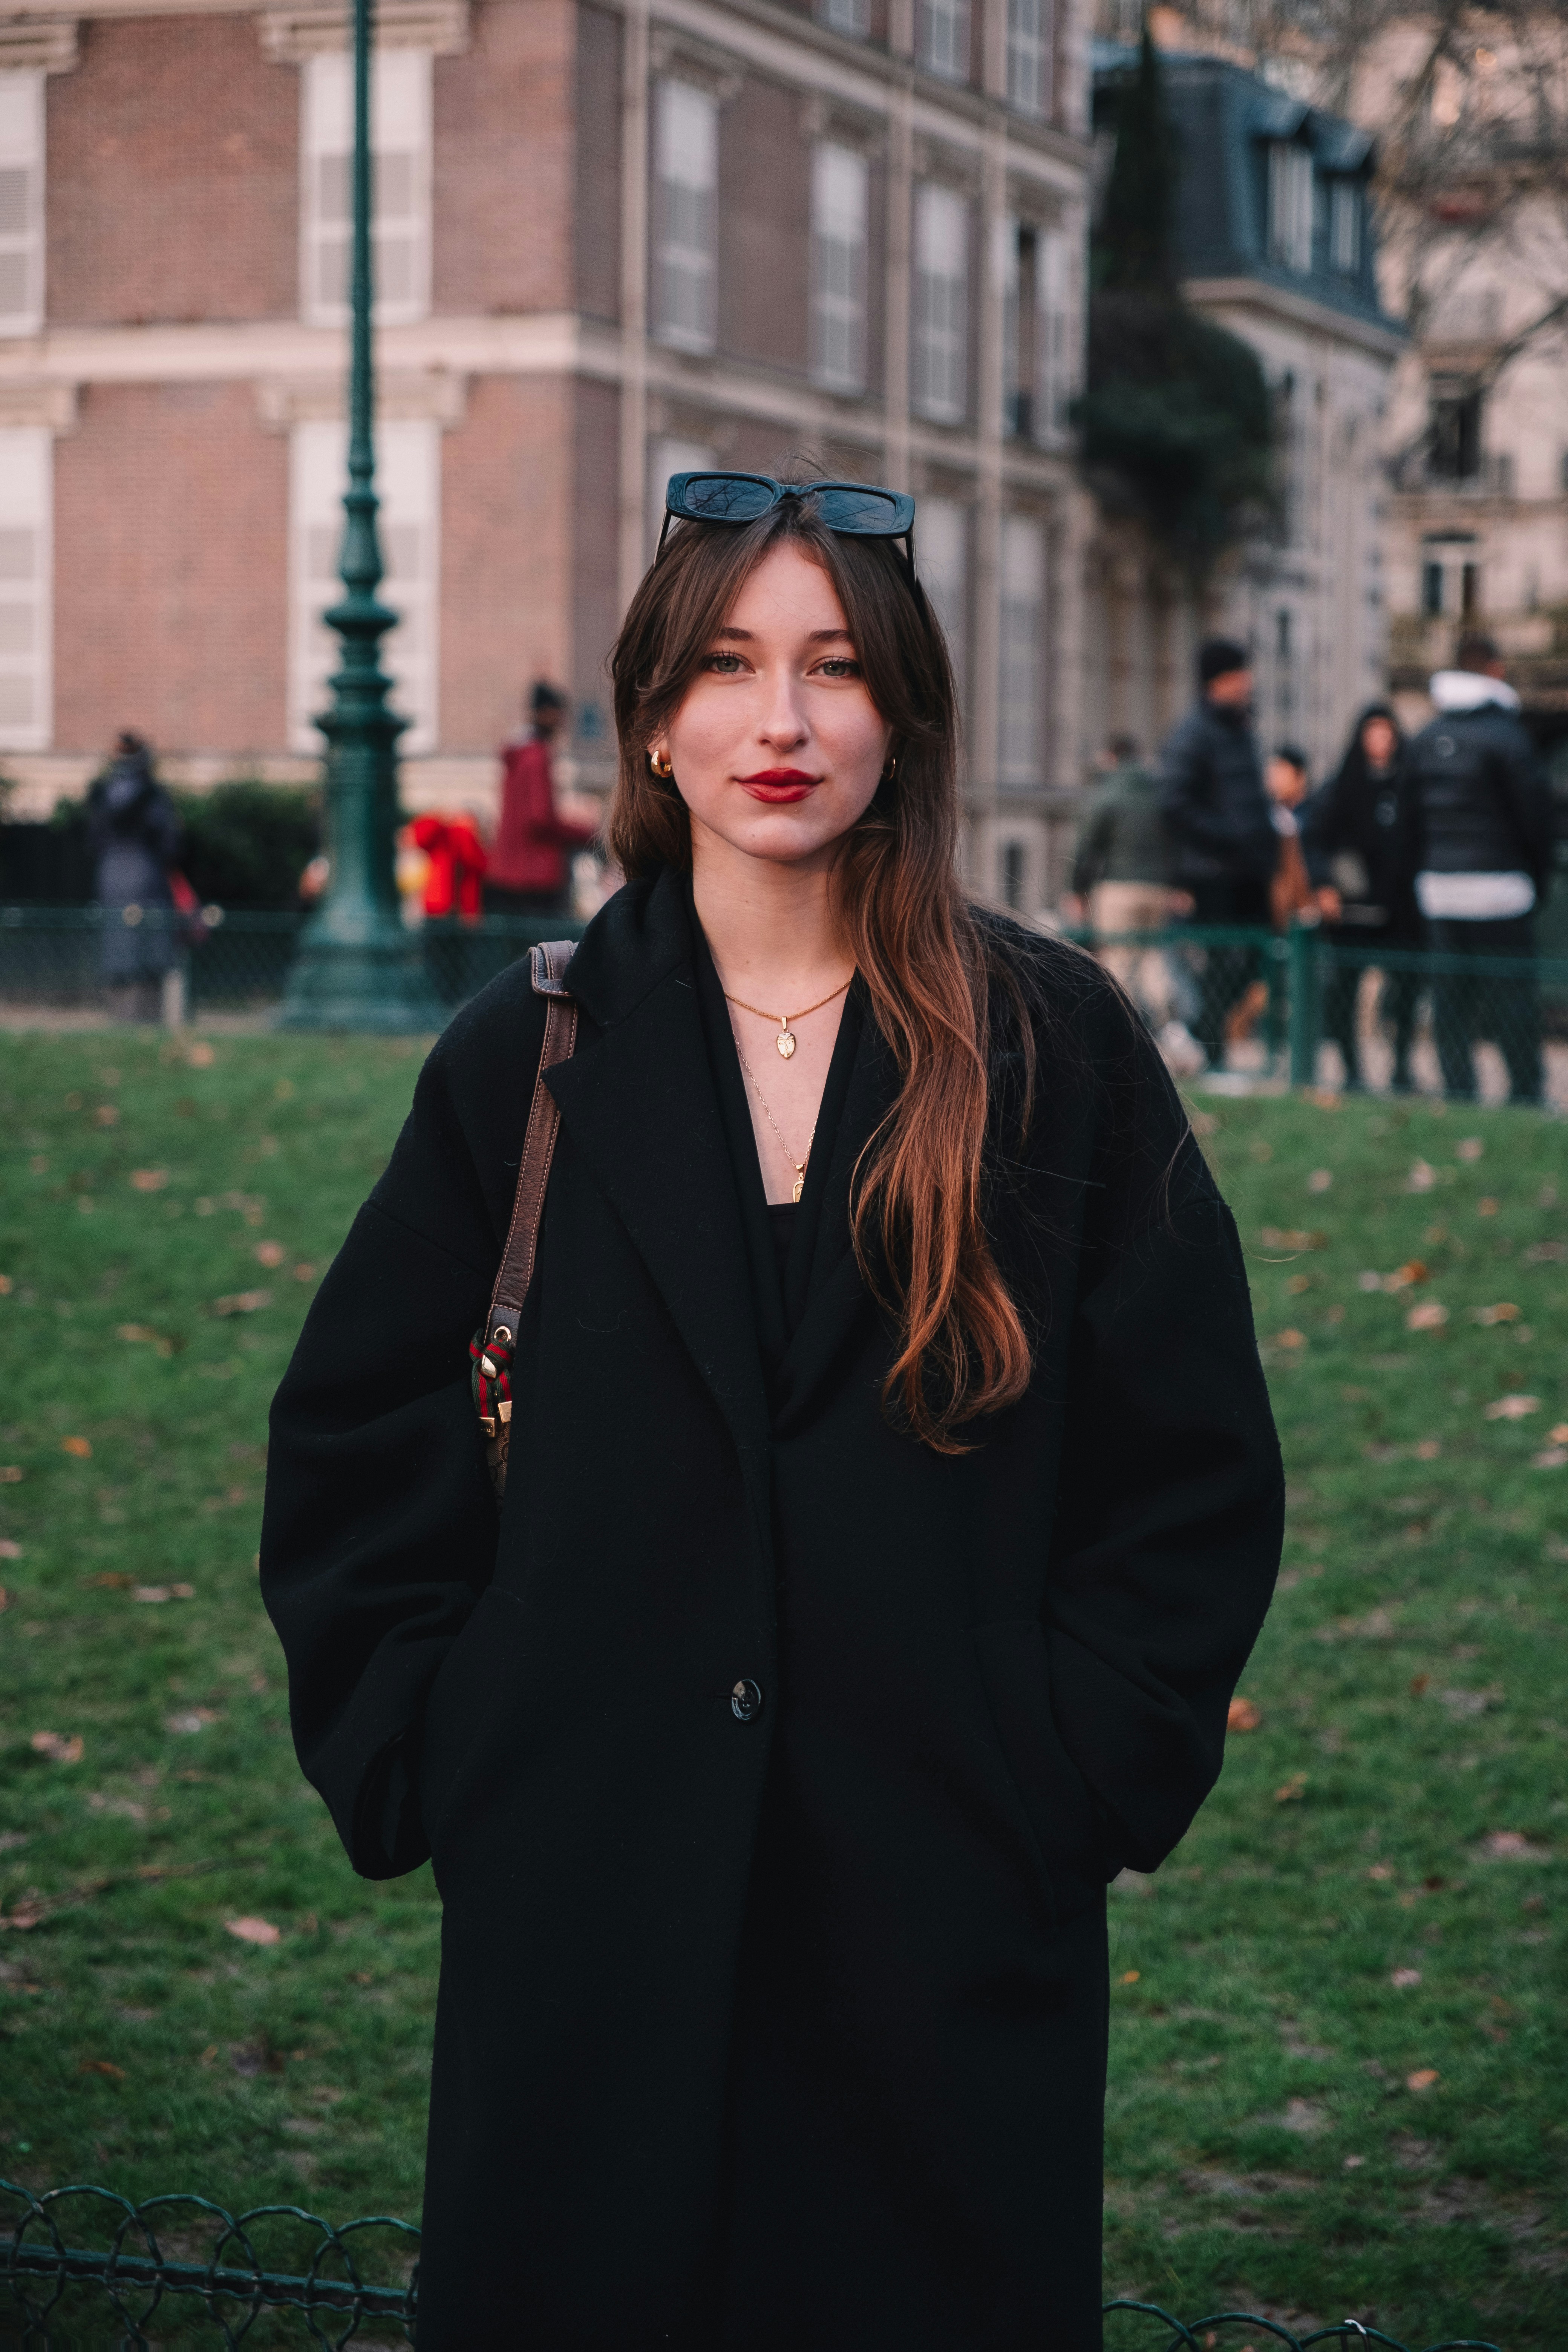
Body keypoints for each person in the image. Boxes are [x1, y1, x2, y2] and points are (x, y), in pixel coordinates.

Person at [260, 470, 1283, 2350]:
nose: (782, 722)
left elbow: (1190, 1479)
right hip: (590, 1935)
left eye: (832, 668)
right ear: (655, 715)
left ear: (901, 717)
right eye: (728, 665)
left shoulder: (1051, 1050)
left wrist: (1067, 1783)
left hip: (947, 1945)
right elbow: (353, 1454)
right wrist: (454, 1754)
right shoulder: (531, 1054)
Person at [1406, 632, 1555, 1104]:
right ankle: (1525, 1092)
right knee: (1511, 998)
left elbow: (1408, 820)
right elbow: (1535, 816)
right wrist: (1536, 874)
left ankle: (1457, 1091)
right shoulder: (1508, 738)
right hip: (1500, 888)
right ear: (1493, 670)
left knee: (1451, 1001)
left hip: (1440, 889)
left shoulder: (1425, 738)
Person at [1158, 639, 1278, 1066]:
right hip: (1212, 873)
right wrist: (1228, 836)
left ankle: (1201, 1037)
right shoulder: (1193, 734)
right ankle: (1207, 1048)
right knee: (1220, 965)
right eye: (1239, 674)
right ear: (1218, 681)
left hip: (1249, 873)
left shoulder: (1241, 730)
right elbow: (1174, 803)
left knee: (1249, 963)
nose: (1247, 682)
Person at [1302, 705, 1420, 1092]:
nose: (1380, 742)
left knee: (1405, 990)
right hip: (1351, 912)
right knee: (1343, 991)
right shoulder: (1340, 788)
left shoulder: (1410, 786)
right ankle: (1351, 1070)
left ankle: (1401, 1067)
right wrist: (1324, 886)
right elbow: (1314, 838)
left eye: (1387, 734)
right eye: (1372, 733)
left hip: (1400, 909)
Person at [1067, 733, 1186, 1029]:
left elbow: (1086, 848)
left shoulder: (1108, 794)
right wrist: (1177, 885)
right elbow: (1177, 842)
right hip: (1158, 889)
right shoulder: (1158, 794)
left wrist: (1076, 891)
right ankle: (1169, 1018)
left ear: (1110, 758)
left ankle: (1123, 1029)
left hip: (1118, 886)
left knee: (1119, 958)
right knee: (1153, 956)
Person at [85, 731, 182, 1022]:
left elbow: (92, 839)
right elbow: (171, 843)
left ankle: (120, 1016)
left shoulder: (101, 794)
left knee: (118, 944)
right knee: (150, 945)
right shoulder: (155, 796)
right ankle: (147, 1017)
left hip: (110, 876)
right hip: (147, 875)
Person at [485, 680, 598, 919]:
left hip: (507, 873)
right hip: (535, 876)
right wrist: (584, 832)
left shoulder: (518, 754)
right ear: (546, 714)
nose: (563, 721)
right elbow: (540, 819)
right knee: (547, 949)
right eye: (559, 713)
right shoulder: (537, 756)